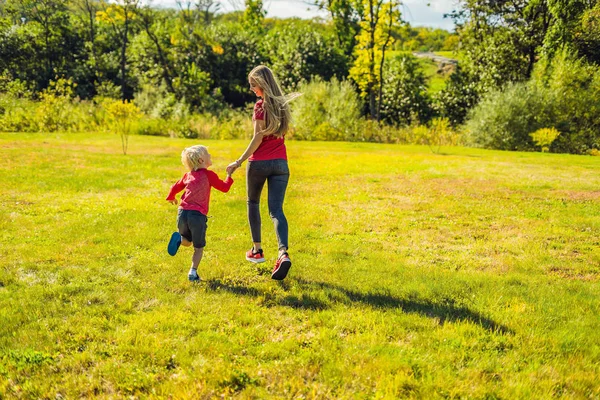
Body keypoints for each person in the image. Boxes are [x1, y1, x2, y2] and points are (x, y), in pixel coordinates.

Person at [226, 65, 300, 281]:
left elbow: (258, 138)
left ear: (262, 83)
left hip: (259, 163)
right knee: (276, 211)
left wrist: (239, 161)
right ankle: (282, 253)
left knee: (253, 203)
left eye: (253, 84)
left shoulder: (261, 106)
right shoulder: (282, 106)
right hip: (281, 164)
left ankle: (257, 250)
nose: (251, 89)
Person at [166, 145, 233, 282]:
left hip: (182, 213)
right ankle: (193, 273)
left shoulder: (188, 175)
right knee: (198, 248)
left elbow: (175, 186)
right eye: (208, 153)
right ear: (202, 160)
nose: (210, 155)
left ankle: (179, 238)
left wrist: (171, 196)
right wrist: (229, 176)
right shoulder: (209, 175)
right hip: (197, 216)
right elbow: (224, 188)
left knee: (187, 241)